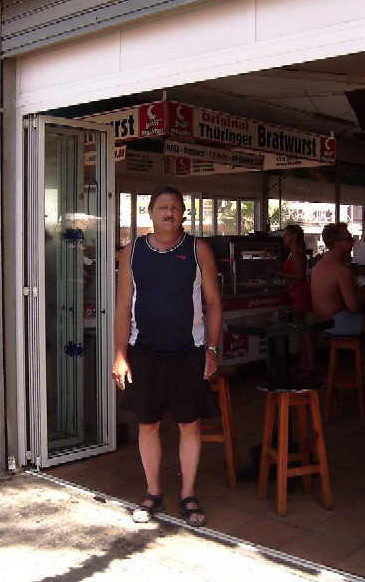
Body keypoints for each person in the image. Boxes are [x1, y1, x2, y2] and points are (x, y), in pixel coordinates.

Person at [112, 186, 222, 527]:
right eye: (162, 207)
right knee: (148, 424)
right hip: (144, 352)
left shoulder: (198, 249)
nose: (169, 212)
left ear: (183, 213)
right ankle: (153, 492)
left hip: (188, 351)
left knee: (190, 424)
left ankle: (188, 493)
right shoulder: (132, 251)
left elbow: (214, 303)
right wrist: (120, 354)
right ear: (150, 212)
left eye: (175, 207)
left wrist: (212, 349)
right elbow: (122, 306)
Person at [311, 222, 365, 378]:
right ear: (337, 243)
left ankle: (358, 373)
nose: (352, 242)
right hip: (336, 322)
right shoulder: (341, 271)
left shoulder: (319, 265)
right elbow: (353, 307)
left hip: (321, 322)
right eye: (349, 238)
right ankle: (362, 376)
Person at [279, 224, 314, 375]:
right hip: (296, 293)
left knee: (305, 332)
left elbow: (299, 276)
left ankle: (310, 365)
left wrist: (281, 274)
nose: (284, 237)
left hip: (299, 294)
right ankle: (304, 363)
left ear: (294, 236)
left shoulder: (296, 254)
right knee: (302, 331)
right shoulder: (294, 253)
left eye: (286, 234)